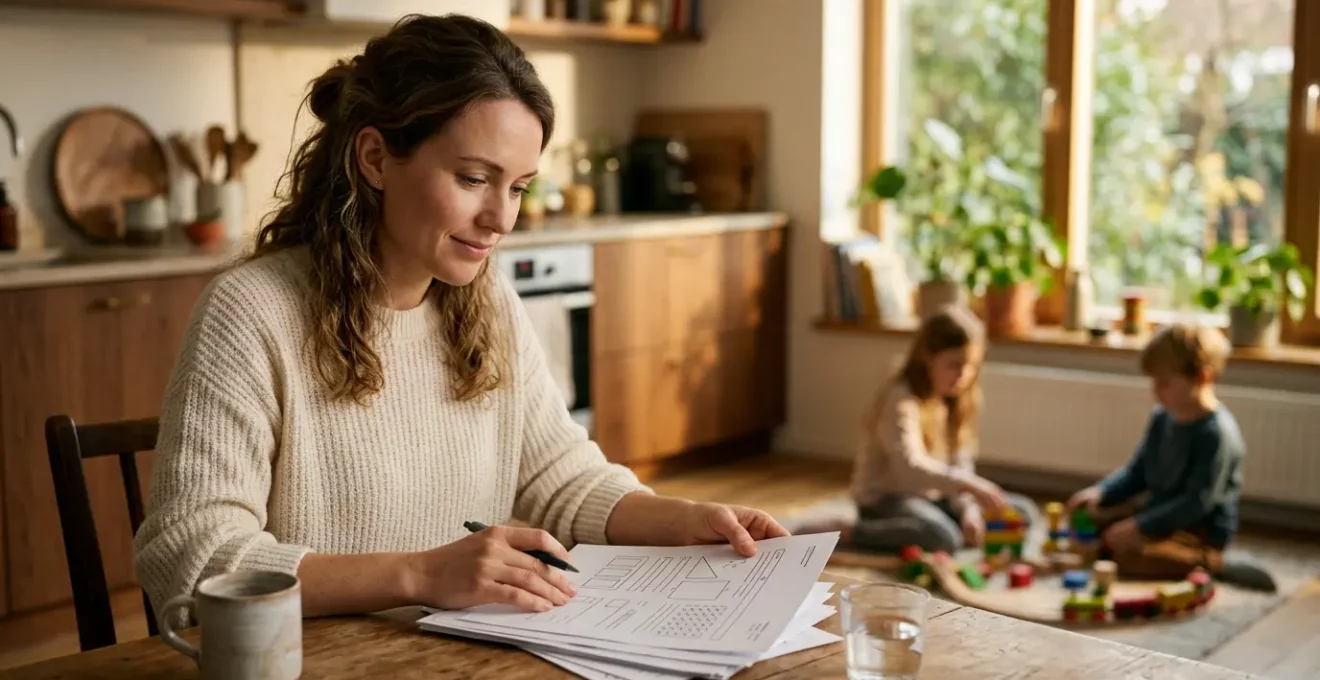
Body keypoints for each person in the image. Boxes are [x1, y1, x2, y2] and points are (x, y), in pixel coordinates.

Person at [133, 13, 787, 620]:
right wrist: (420, 575)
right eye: (474, 178)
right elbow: (192, 558)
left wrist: (679, 518)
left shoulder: (488, 302)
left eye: (519, 187)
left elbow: (559, 475)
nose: (502, 219)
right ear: (375, 159)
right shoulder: (251, 312)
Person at [849, 306, 1035, 554]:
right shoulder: (901, 398)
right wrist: (969, 485)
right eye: (954, 365)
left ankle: (951, 523)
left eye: (971, 366)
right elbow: (910, 468)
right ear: (928, 356)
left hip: (934, 497)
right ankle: (853, 531)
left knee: (1022, 512)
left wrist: (969, 508)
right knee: (942, 538)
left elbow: (960, 462)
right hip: (888, 500)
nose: (963, 375)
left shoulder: (957, 399)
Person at [1067, 323, 1244, 579]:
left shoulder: (1215, 433)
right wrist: (1102, 492)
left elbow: (1196, 503)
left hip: (1196, 530)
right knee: (1087, 516)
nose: (1155, 390)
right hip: (1158, 513)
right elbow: (1137, 471)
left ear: (1201, 378)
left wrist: (1140, 526)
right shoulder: (1162, 417)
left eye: (1164, 383)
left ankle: (1209, 562)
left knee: (1129, 554)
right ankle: (1118, 545)